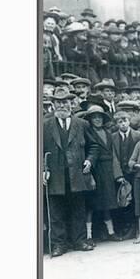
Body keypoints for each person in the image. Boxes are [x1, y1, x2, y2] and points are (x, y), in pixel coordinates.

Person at [43, 91, 98, 257]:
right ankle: (58, 244)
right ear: (53, 104)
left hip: (77, 175)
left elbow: (94, 147)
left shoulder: (81, 124)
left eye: (65, 102)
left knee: (78, 209)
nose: (61, 106)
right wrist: (42, 170)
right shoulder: (44, 125)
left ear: (71, 104)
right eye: (58, 102)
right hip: (54, 176)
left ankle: (79, 241)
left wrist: (89, 160)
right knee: (56, 211)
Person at [84, 105, 126, 242]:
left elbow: (113, 155)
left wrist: (118, 174)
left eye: (99, 117)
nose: (97, 120)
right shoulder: (87, 133)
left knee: (107, 202)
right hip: (95, 170)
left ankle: (110, 232)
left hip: (107, 171)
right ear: (90, 120)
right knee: (91, 204)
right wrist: (88, 173)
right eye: (94, 117)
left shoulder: (108, 133)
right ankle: (89, 235)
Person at [111, 111, 140, 240]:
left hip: (136, 173)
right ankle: (127, 227)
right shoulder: (112, 137)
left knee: (137, 200)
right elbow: (113, 157)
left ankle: (138, 229)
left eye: (125, 121)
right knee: (124, 201)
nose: (123, 124)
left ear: (129, 121)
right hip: (122, 174)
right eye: (120, 122)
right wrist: (118, 174)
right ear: (117, 124)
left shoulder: (138, 135)